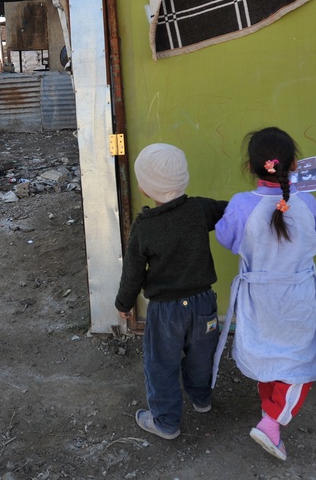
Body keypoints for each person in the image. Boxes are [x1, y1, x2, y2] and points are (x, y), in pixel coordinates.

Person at [212, 127, 316, 462]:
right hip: (297, 297)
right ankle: (270, 423)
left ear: (250, 168)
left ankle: (270, 414)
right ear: (294, 164)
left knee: (268, 353)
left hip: (258, 298)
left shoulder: (241, 206)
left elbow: (225, 238)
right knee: (300, 361)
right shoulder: (307, 202)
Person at [114, 143, 227, 440]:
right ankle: (201, 399)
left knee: (161, 364)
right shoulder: (200, 210)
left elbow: (133, 274)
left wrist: (124, 303)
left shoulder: (144, 227)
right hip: (204, 305)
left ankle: (165, 421)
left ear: (145, 187)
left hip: (166, 312)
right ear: (184, 178)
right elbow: (231, 210)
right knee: (202, 355)